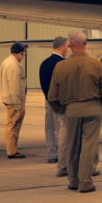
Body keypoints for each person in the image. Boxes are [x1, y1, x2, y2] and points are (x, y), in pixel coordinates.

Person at [47, 31, 102, 193]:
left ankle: (73, 181)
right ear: (85, 44)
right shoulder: (97, 65)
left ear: (70, 45)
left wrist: (63, 109)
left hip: (71, 110)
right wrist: (99, 104)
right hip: (93, 109)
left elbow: (52, 95)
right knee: (89, 146)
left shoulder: (60, 66)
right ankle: (86, 182)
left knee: (72, 146)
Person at [39, 36, 69, 166]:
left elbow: (43, 83)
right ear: (62, 47)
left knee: (49, 128)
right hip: (61, 102)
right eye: (67, 47)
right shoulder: (64, 64)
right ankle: (61, 155)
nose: (67, 49)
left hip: (48, 101)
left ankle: (51, 154)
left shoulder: (44, 63)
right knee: (61, 129)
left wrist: (48, 97)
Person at [0, 42, 28, 159]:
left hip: (8, 98)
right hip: (13, 101)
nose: (23, 57)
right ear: (21, 53)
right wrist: (19, 105)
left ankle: (12, 149)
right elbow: (15, 87)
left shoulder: (6, 61)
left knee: (12, 125)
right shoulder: (14, 66)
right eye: (23, 54)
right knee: (13, 126)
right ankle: (11, 151)